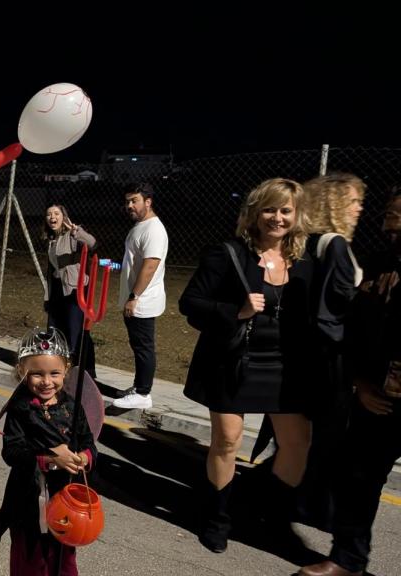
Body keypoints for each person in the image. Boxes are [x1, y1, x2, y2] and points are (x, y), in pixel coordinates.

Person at [179, 178, 314, 555]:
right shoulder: (229, 254)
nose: (277, 218)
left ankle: (268, 512)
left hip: (284, 366)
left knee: (297, 442)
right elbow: (190, 303)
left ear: (296, 215)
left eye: (286, 210)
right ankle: (217, 518)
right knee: (226, 441)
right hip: (233, 361)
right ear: (254, 213)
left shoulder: (304, 260)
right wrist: (235, 311)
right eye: (270, 209)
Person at [297, 189, 401, 576]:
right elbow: (354, 327)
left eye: (394, 216)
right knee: (358, 476)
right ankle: (348, 559)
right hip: (378, 395)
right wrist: (360, 381)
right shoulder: (381, 263)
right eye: (386, 216)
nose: (385, 224)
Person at [295, 172, 366, 530]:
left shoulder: (310, 240)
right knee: (330, 435)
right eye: (353, 201)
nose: (359, 208)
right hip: (332, 356)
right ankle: (313, 504)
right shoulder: (335, 243)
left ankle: (299, 494)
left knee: (306, 435)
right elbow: (338, 307)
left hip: (307, 353)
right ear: (334, 203)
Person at [0, 328, 96, 576]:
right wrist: (52, 459)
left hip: (64, 498)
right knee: (31, 560)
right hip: (28, 500)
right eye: (36, 374)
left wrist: (83, 457)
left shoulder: (73, 408)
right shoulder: (20, 408)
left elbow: (89, 443)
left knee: (62, 558)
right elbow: (12, 451)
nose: (46, 381)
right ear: (22, 371)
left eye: (54, 373)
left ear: (66, 370)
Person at [112, 182, 168, 410]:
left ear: (148, 202)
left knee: (144, 347)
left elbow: (150, 265)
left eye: (134, 200)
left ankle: (143, 394)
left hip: (142, 301)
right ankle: (138, 387)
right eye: (127, 201)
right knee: (138, 346)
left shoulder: (154, 229)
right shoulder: (140, 226)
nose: (129, 206)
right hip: (134, 299)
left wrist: (134, 296)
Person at [43, 203, 97, 375]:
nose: (52, 217)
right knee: (54, 329)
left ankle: (82, 370)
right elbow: (51, 271)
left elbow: (92, 243)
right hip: (58, 290)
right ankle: (58, 365)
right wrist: (47, 297)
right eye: (49, 214)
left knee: (75, 332)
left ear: (63, 216)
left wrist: (76, 231)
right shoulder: (51, 239)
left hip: (74, 291)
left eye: (56, 213)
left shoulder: (73, 235)